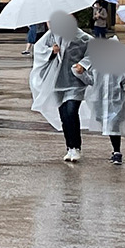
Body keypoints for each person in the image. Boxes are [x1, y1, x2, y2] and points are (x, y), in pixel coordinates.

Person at [31, 11, 95, 163]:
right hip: (57, 82)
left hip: (75, 82)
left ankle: (77, 147)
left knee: (72, 111)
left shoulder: (83, 38)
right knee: (64, 115)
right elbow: (39, 50)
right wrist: (51, 52)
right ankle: (69, 147)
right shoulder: (52, 36)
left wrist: (83, 65)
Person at [81, 34, 125, 164]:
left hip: (116, 102)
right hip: (99, 102)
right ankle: (115, 151)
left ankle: (117, 152)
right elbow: (91, 80)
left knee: (114, 126)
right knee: (103, 121)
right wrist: (80, 73)